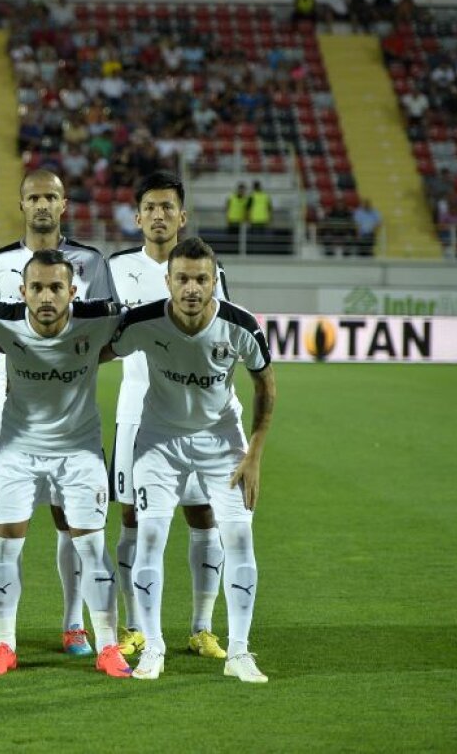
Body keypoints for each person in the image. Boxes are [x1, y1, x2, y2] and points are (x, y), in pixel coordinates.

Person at [105, 236, 276, 683]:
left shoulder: (240, 325)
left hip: (222, 441)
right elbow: (93, 351)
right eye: (183, 278)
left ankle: (238, 652)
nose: (192, 288)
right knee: (151, 536)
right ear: (168, 281)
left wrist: (255, 452)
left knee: (238, 539)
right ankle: (153, 648)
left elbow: (265, 384)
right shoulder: (143, 322)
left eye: (202, 279)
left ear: (215, 281)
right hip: (159, 440)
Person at [0, 170, 113, 656]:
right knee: (6, 520)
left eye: (51, 196)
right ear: (21, 203)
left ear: (64, 202)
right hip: (13, 399)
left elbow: (104, 333)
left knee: (68, 519)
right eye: (33, 196)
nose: (41, 205)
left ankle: (73, 623)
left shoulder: (91, 263)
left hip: (70, 400)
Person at [107, 171, 230, 661]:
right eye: (150, 207)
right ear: (137, 217)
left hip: (194, 414)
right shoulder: (115, 269)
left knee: (204, 514)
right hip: (136, 410)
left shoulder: (208, 270)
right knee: (133, 517)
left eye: (168, 207)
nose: (159, 215)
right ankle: (134, 625)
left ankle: (202, 626)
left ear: (183, 216)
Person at [224, 182, 247, 253]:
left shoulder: (246, 199)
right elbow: (227, 208)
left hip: (240, 223)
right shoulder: (231, 198)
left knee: (238, 239)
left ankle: (237, 252)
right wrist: (227, 218)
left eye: (243, 190)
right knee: (231, 238)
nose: (242, 191)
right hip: (231, 221)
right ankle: (230, 251)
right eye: (241, 190)